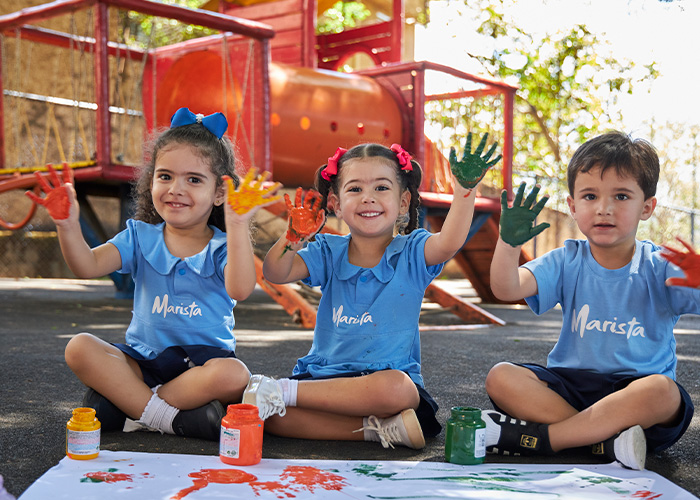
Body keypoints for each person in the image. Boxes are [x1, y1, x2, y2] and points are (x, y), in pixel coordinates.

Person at [26, 108, 280, 441]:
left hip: (201, 369)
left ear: (220, 193)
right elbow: (86, 265)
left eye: (193, 179)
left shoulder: (222, 246)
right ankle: (172, 419)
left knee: (235, 374)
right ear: (151, 181)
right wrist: (67, 225)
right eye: (165, 176)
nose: (176, 188)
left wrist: (237, 224)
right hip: (143, 362)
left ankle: (129, 406)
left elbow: (242, 288)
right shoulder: (139, 236)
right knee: (79, 347)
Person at [244, 134, 501, 449]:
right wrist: (291, 239)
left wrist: (465, 191)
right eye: (355, 189)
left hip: (386, 385)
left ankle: (281, 390)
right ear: (335, 204)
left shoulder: (413, 251)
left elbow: (449, 240)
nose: (368, 197)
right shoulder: (327, 249)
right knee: (272, 420)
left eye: (381, 187)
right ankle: (380, 430)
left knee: (397, 389)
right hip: (326, 380)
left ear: (403, 201)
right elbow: (275, 272)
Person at [484, 131, 697, 470]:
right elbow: (506, 288)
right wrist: (508, 244)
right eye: (589, 195)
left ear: (647, 207)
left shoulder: (661, 267)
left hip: (635, 395)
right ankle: (604, 443)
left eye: (622, 196)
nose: (604, 208)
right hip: (570, 385)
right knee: (500, 376)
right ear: (572, 206)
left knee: (664, 392)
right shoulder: (566, 259)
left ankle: (549, 441)